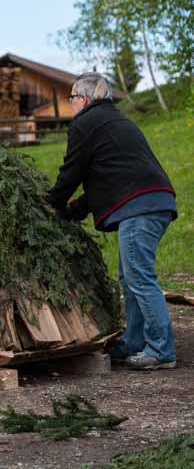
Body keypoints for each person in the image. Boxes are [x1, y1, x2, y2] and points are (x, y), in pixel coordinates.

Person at [47, 72, 177, 370]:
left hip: (139, 206)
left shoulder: (85, 123)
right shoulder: (115, 120)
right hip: (153, 200)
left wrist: (52, 204)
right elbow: (106, 177)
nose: (71, 105)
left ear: (84, 98)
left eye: (71, 99)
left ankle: (161, 350)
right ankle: (133, 342)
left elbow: (72, 172)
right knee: (130, 277)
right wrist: (75, 209)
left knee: (139, 277)